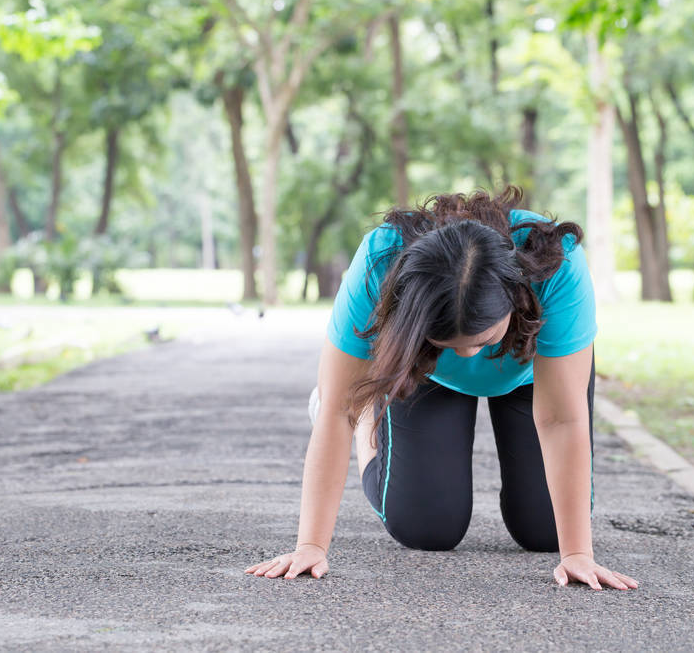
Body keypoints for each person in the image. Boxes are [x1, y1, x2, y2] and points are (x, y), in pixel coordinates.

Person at [245, 188, 638, 591]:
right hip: (424, 369)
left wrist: (576, 555)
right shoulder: (380, 261)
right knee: (425, 527)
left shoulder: (557, 264)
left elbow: (560, 419)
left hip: (531, 376)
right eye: (452, 342)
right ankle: (373, 417)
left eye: (482, 341)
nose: (468, 355)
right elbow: (336, 409)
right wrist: (310, 545)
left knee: (544, 530)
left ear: (515, 293)